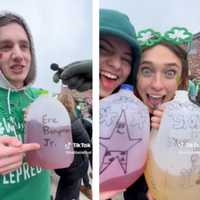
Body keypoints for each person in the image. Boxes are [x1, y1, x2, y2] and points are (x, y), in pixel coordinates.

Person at [124, 27, 193, 200]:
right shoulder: (121, 118)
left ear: (181, 79)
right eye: (146, 70)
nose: (156, 84)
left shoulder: (194, 123)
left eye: (170, 73)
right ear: (135, 75)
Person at [0, 12, 50, 200]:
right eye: (5, 46)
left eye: (24, 46)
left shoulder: (40, 97)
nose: (18, 55)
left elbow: (67, 151)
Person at [51, 61, 92, 200]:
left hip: (62, 165)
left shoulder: (52, 120)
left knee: (63, 191)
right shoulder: (73, 120)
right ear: (71, 102)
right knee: (70, 194)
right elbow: (86, 144)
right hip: (74, 166)